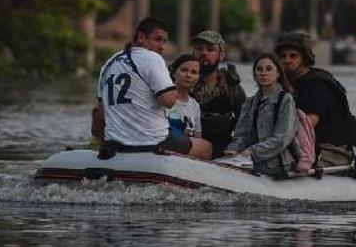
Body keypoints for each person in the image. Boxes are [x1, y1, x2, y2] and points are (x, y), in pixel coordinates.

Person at [92, 17, 212, 160]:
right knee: (206, 147)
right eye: (158, 39)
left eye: (164, 41)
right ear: (141, 38)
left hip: (113, 145)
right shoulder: (152, 58)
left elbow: (100, 115)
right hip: (153, 142)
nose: (161, 46)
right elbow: (168, 101)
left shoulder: (108, 64)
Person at [276, 31, 356, 167]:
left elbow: (308, 125)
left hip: (331, 151)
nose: (287, 60)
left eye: (293, 56)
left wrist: (272, 143)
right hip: (301, 148)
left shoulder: (318, 85)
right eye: (283, 56)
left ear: (304, 57)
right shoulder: (283, 85)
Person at [225, 53, 298, 176]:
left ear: (278, 73)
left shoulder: (285, 99)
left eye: (269, 69)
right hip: (251, 161)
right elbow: (242, 134)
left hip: (277, 163)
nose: (264, 73)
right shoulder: (250, 102)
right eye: (259, 69)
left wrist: (252, 151)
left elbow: (282, 138)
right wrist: (234, 148)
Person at [190, 30, 247, 158]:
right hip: (186, 148)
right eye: (199, 49)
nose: (203, 53)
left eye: (210, 50)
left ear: (221, 55)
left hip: (220, 151)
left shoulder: (232, 89)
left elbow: (244, 125)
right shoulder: (181, 82)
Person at [166, 53, 213, 158]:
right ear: (174, 72)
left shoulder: (194, 105)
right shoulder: (162, 97)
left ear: (198, 78)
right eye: (184, 70)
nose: (188, 75)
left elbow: (198, 138)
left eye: (194, 72)